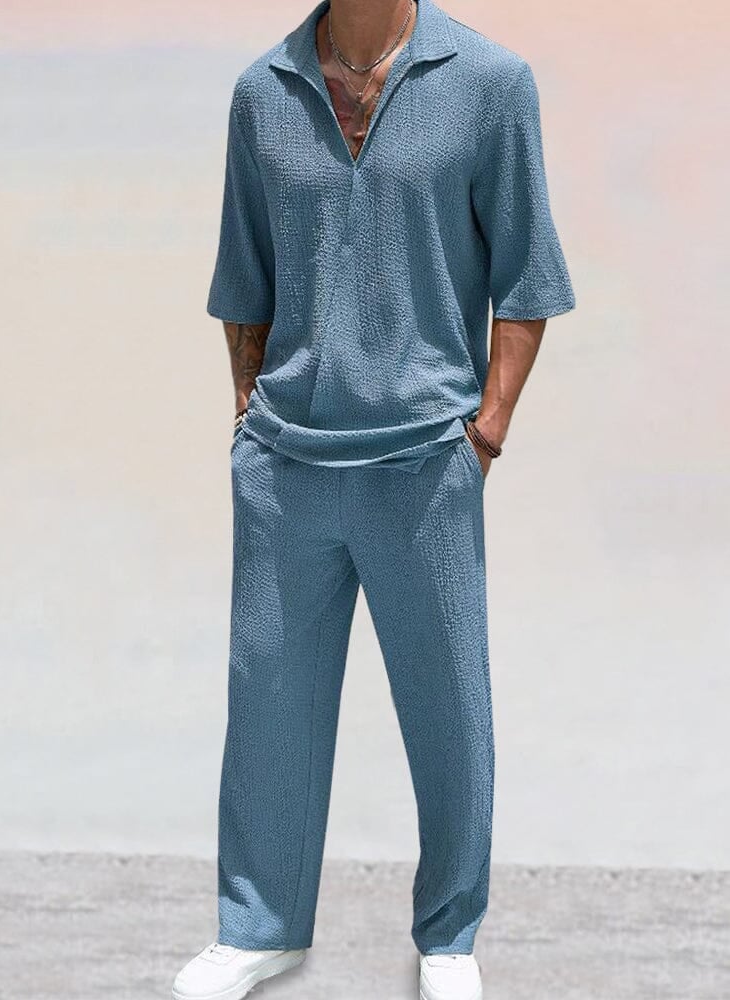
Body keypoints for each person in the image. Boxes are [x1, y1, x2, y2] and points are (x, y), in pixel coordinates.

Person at [173, 0, 575, 996]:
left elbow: (528, 274)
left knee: (449, 711)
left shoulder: (490, 84)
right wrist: (247, 412)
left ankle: (449, 940)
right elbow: (244, 274)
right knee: (268, 705)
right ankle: (259, 927)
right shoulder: (262, 93)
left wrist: (486, 431)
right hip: (287, 462)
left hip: (426, 460)